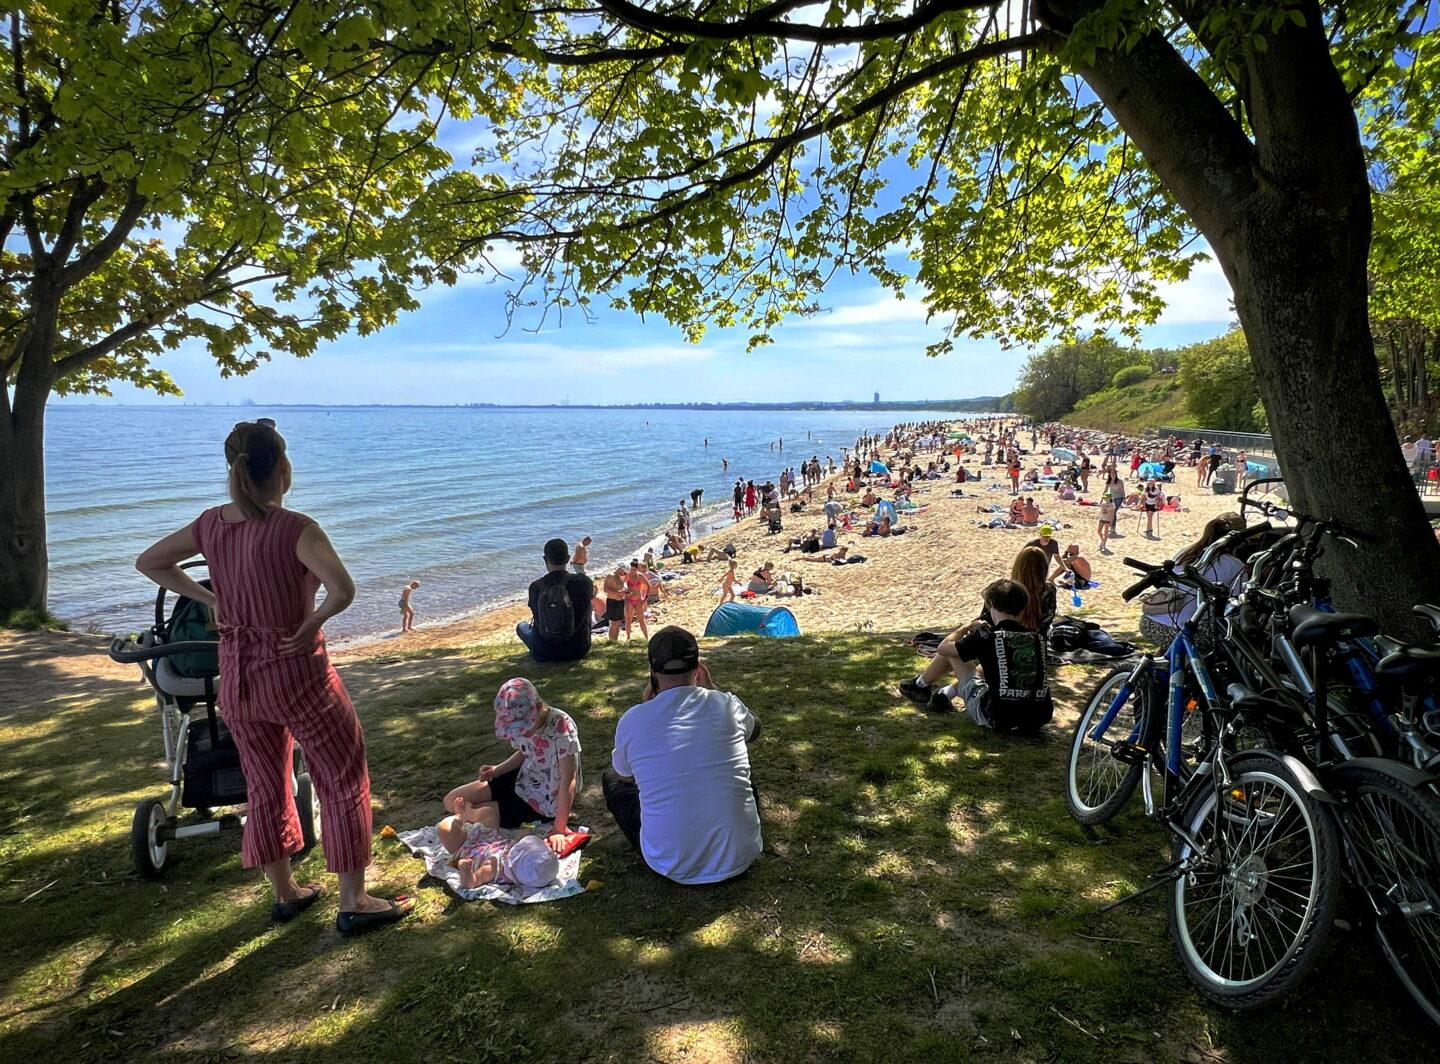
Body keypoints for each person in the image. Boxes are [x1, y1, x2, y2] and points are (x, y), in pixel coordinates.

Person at [135, 420, 408, 934]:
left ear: (233, 469)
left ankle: (285, 892)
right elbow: (342, 589)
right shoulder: (296, 527)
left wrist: (211, 599)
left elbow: (150, 562)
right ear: (283, 468)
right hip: (296, 671)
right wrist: (313, 621)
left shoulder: (210, 525)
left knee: (264, 782)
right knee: (343, 773)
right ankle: (354, 899)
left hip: (237, 676)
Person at [603, 628, 762, 884]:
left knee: (612, 781)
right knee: (740, 778)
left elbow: (625, 777)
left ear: (653, 673)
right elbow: (755, 730)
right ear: (698, 668)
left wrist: (647, 710)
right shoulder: (727, 705)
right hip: (741, 857)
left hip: (671, 865)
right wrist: (713, 689)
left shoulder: (633, 719)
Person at [439, 678, 581, 854]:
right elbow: (525, 751)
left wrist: (559, 828)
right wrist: (498, 769)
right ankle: (473, 812)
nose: (523, 733)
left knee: (487, 817)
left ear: (538, 707)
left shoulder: (561, 726)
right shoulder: (526, 724)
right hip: (522, 776)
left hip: (542, 796)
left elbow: (568, 779)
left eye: (525, 728)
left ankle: (471, 814)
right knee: (451, 800)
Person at [897, 579, 1053, 732]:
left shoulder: (987, 636)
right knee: (981, 669)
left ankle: (922, 686)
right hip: (1037, 719)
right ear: (1023, 608)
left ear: (992, 606)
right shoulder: (1037, 639)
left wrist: (966, 628)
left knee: (954, 653)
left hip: (999, 719)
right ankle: (940, 693)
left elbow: (943, 648)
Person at [1139, 513, 1246, 649]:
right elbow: (1238, 603)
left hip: (1150, 622)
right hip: (1183, 630)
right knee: (1230, 633)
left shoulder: (1185, 552)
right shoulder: (1235, 565)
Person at [517, 539, 595, 663]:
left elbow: (537, 617)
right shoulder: (583, 583)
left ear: (545, 559)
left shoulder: (535, 587)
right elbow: (593, 595)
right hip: (578, 649)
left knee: (521, 626)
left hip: (544, 652)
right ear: (568, 558)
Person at [1011, 545, 1058, 634]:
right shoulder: (1049, 590)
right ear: (1044, 568)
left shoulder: (1006, 590)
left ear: (1017, 567)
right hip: (1040, 641)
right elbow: (1047, 621)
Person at [624, 559, 651, 641]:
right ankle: (628, 638)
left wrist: (645, 598)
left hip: (638, 600)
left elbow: (648, 586)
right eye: (631, 569)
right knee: (628, 619)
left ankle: (646, 638)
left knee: (641, 620)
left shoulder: (640, 575)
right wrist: (626, 592)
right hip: (629, 600)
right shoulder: (627, 575)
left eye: (634, 569)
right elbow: (622, 585)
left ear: (637, 569)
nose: (632, 571)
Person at [602, 565, 627, 642]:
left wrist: (625, 592)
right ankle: (611, 640)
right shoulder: (611, 576)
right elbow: (605, 589)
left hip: (620, 601)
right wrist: (617, 593)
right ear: (620, 569)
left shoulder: (621, 577)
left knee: (618, 622)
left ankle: (615, 640)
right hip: (613, 601)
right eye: (623, 571)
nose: (624, 573)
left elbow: (621, 588)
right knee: (614, 623)